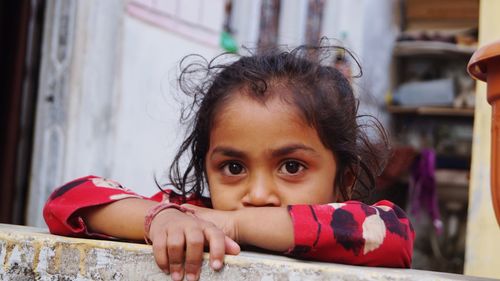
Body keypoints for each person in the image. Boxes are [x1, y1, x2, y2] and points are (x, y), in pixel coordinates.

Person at [43, 45, 414, 281]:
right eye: (234, 168)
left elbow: (395, 237)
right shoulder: (196, 219)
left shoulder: (352, 227)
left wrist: (233, 222)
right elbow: (67, 200)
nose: (257, 193)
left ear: (345, 179)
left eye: (291, 167)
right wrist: (161, 218)